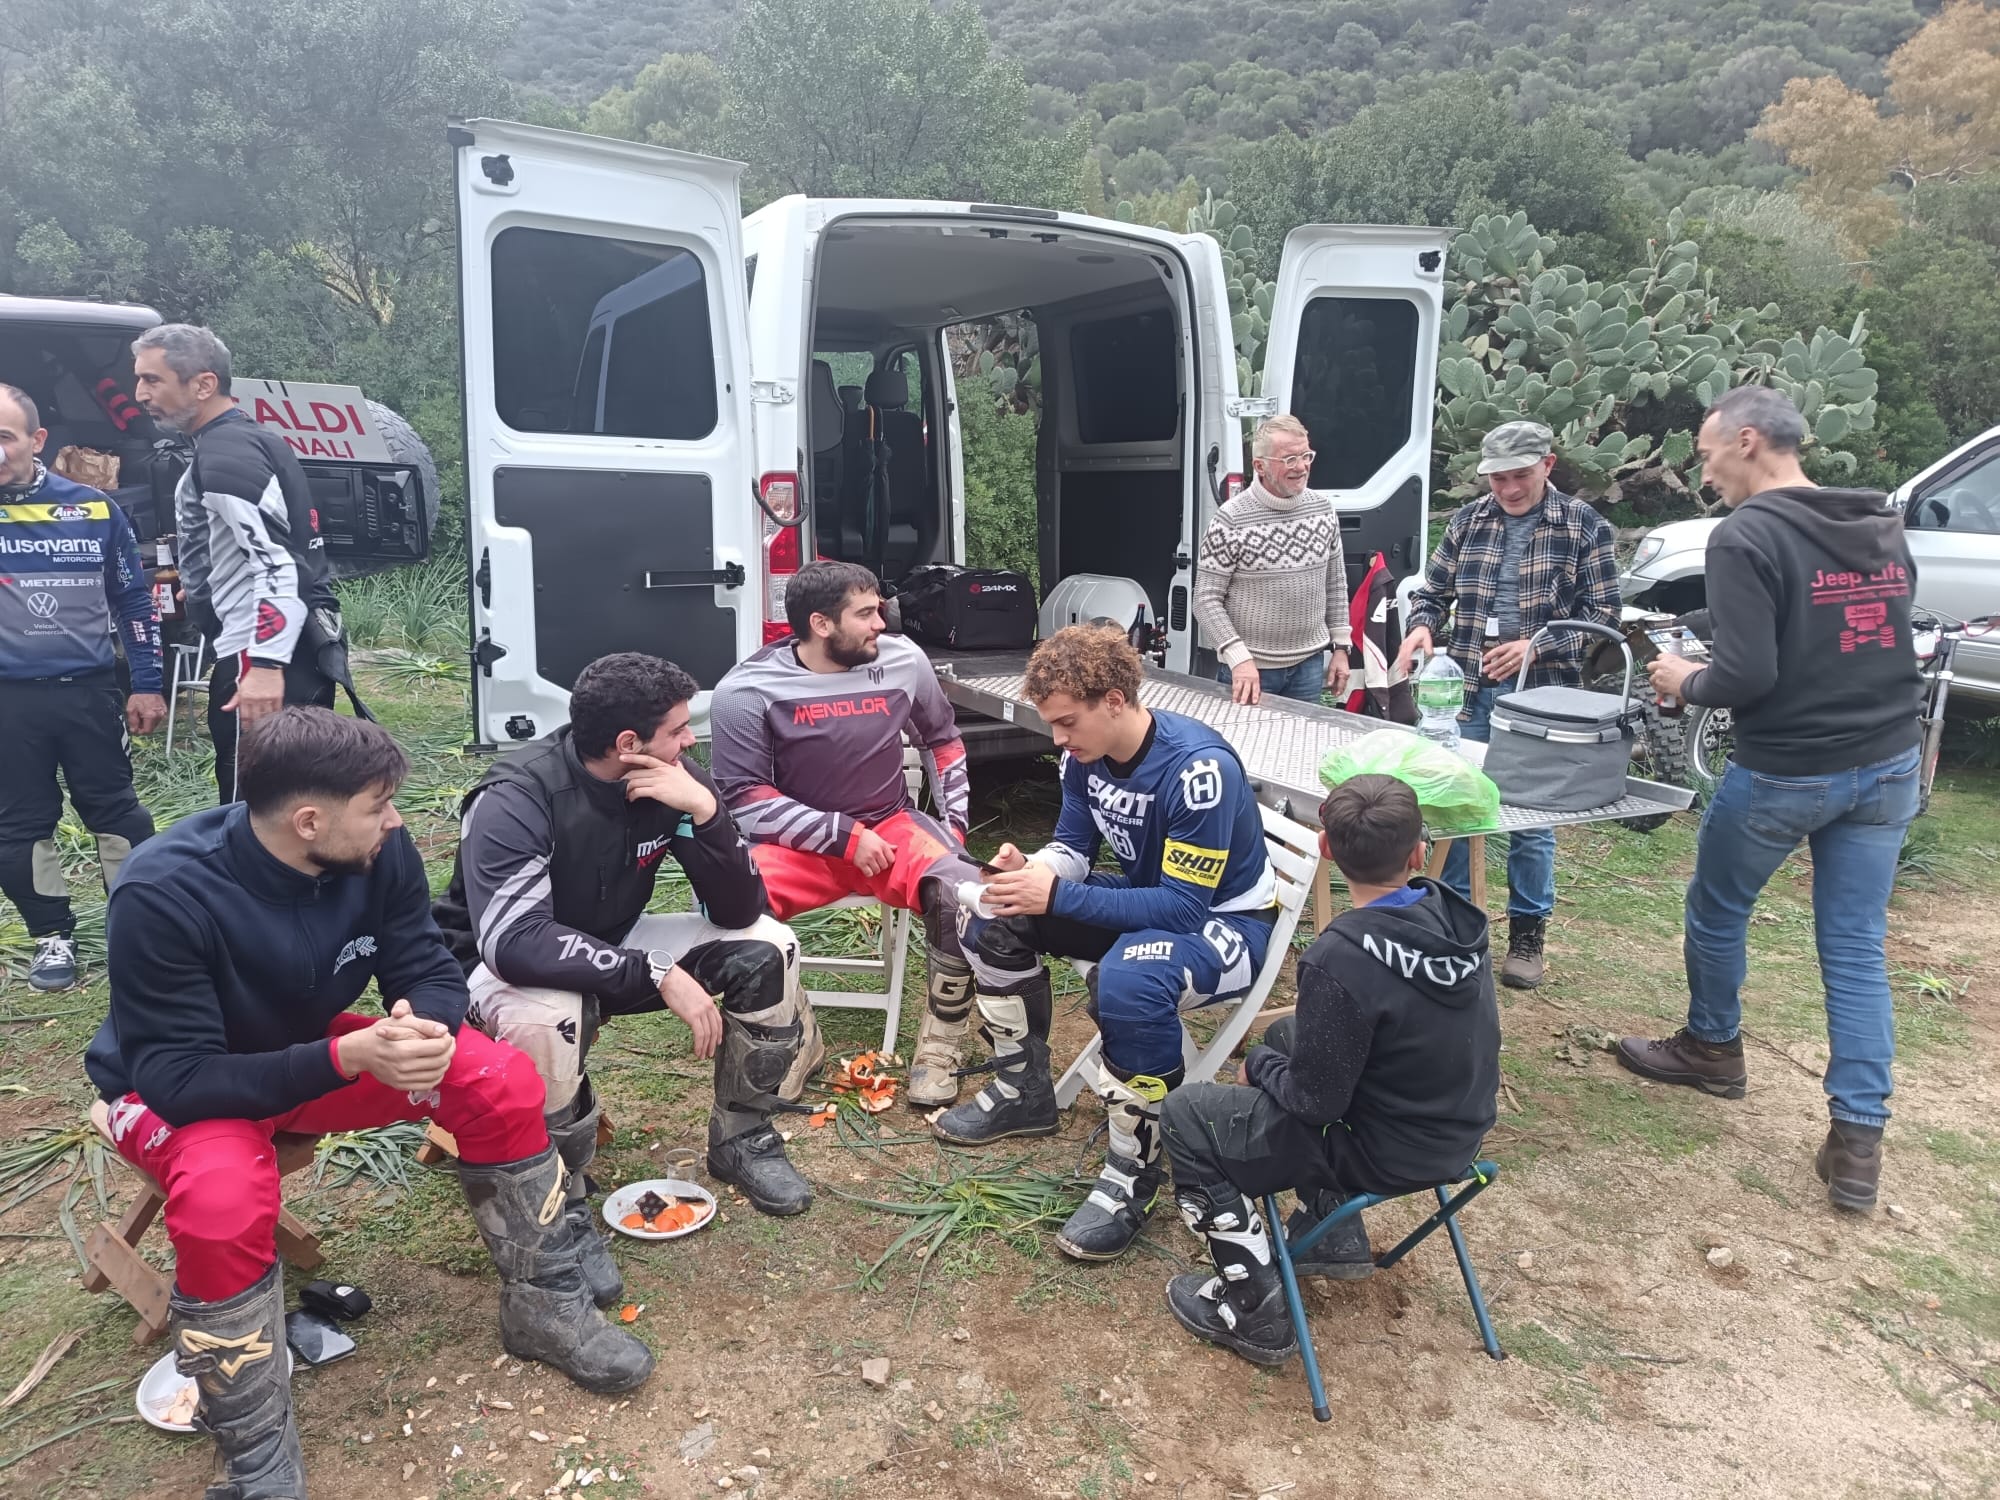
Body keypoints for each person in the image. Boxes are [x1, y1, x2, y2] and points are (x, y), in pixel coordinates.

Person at [83, 708, 651, 1498]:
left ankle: (545, 1305)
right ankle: (257, 1454)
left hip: (311, 1052)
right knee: (221, 1200)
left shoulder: (375, 852)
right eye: (378, 805)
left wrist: (426, 1022)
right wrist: (343, 1057)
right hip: (181, 1089)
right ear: (308, 821)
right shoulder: (163, 890)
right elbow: (179, 1080)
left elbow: (425, 962)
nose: (396, 820)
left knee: (499, 1079)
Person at [1620, 387, 1924, 1215]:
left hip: (1789, 768)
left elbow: (1747, 675)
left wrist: (1685, 678)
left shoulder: (1746, 533)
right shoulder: (1876, 522)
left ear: (1747, 441)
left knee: (1719, 908)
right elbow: (1863, 635)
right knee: (1855, 947)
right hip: (1888, 761)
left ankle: (1712, 1047)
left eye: (1707, 452)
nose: (1704, 470)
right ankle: (1857, 1141)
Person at [433, 651, 812, 1306]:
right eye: (678, 729)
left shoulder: (672, 777)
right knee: (548, 1014)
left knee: (768, 946)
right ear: (628, 743)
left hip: (608, 939)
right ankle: (562, 1202)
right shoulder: (515, 797)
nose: (690, 740)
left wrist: (706, 813)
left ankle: (742, 1138)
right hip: (492, 967)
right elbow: (514, 942)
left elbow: (739, 909)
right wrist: (653, 971)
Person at [935, 626, 1279, 1263]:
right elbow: (1073, 849)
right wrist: (1031, 870)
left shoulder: (1198, 770)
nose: (1057, 739)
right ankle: (1023, 1091)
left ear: (1115, 700)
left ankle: (1134, 1171)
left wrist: (1055, 896)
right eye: (1052, 724)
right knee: (993, 918)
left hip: (1226, 925)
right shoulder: (1081, 758)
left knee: (1128, 981)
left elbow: (1183, 908)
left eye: (1067, 722)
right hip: (1150, 899)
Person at [1158, 774, 1499, 1363]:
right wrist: (1278, 1056)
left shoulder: (1342, 956)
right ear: (1418, 853)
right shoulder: (1453, 920)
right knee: (1290, 1035)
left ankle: (1254, 1309)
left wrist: (1259, 1066)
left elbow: (1316, 1104)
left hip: (1385, 1154)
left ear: (1325, 849)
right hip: (1458, 1132)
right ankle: (1332, 1233)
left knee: (1187, 1111)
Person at [710, 561, 983, 1108]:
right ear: (821, 624)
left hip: (891, 828)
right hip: (796, 845)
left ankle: (940, 1045)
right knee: (727, 901)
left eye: (879, 609)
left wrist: (954, 826)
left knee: (964, 894)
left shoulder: (904, 660)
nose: (881, 623)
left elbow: (942, 740)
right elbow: (743, 800)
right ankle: (793, 1036)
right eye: (865, 614)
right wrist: (842, 836)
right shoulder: (746, 688)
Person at [1396, 420, 1619, 989]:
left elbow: (1605, 617)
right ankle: (1454, 923)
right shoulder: (1468, 521)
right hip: (1465, 690)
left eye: (1520, 476)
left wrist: (1537, 644)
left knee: (1531, 818)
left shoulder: (1584, 525)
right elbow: (1431, 593)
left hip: (1541, 699)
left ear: (1547, 465)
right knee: (1453, 805)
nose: (1509, 489)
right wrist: (1422, 626)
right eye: (1498, 479)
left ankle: (1527, 935)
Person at [130, 324, 356, 802]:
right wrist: (208, 582)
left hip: (262, 652)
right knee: (297, 798)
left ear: (204, 384)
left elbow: (278, 565)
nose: (140, 394)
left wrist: (266, 665)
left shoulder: (225, 452)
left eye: (152, 380)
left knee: (255, 808)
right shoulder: (242, 439)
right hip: (290, 645)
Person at [0, 382, 163, 991]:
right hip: (8, 702)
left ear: (37, 440)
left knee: (116, 812)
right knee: (19, 827)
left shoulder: (94, 508)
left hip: (88, 693)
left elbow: (133, 600)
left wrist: (147, 683)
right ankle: (52, 937)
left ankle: (139, 930)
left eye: (5, 437)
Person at [1194, 414, 1353, 706]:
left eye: (1306, 456)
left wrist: (1341, 647)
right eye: (1289, 459)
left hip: (1309, 665)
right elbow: (1205, 599)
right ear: (1260, 466)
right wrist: (1238, 658)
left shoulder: (1323, 510)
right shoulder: (1231, 519)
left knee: (1301, 737)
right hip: (1250, 670)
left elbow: (1336, 584)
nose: (1301, 467)